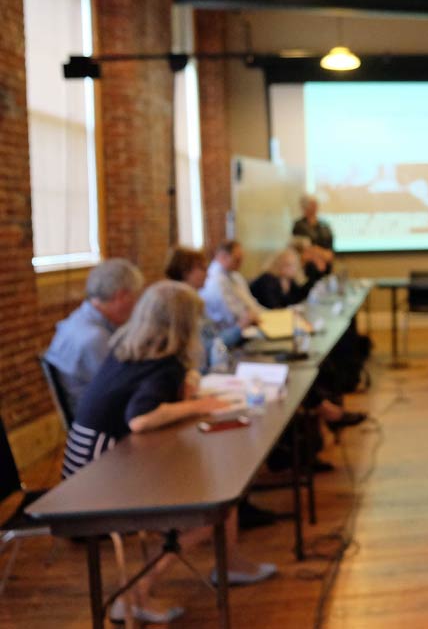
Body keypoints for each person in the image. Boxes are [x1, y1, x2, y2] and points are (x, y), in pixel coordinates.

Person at [62, 281, 276, 622]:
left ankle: (231, 564)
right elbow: (140, 419)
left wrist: (186, 391)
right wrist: (199, 405)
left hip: (86, 464)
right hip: (97, 480)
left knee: (220, 491)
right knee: (210, 509)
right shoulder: (163, 363)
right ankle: (134, 595)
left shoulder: (131, 347)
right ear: (184, 324)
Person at [165, 246, 278, 530]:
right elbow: (209, 347)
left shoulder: (189, 298)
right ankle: (234, 507)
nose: (207, 272)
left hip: (202, 379)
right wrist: (239, 329)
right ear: (187, 271)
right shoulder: (181, 302)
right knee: (241, 420)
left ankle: (239, 503)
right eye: (201, 267)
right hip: (198, 384)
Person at [44, 258, 144, 416]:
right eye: (135, 296)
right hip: (100, 420)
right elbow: (122, 391)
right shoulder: (95, 338)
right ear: (121, 296)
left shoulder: (74, 321)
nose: (136, 304)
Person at [200, 240, 262, 336]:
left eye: (241, 260)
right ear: (223, 256)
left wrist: (259, 313)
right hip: (226, 331)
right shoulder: (214, 280)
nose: (240, 264)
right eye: (237, 260)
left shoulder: (235, 275)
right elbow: (229, 314)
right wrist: (249, 317)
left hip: (244, 325)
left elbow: (250, 302)